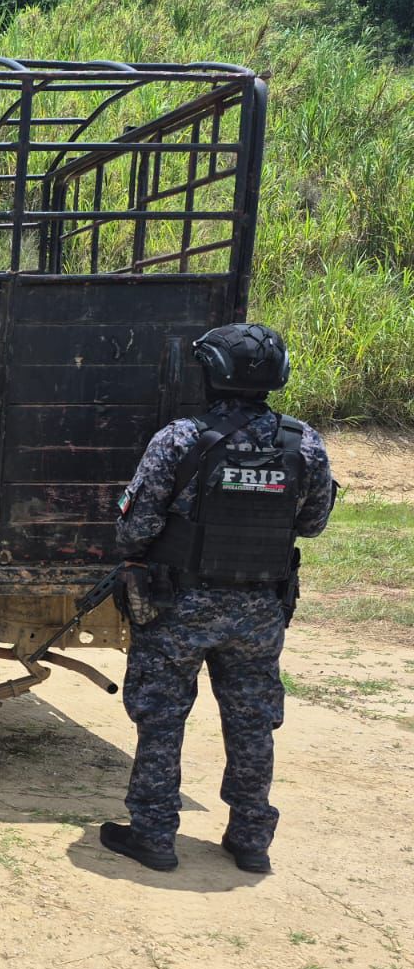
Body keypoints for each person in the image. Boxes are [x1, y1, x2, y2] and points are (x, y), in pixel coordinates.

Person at [101, 322, 335, 875]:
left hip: (177, 608)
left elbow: (134, 531)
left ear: (211, 375)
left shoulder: (181, 440)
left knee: (162, 720)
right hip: (259, 611)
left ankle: (154, 835)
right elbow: (313, 523)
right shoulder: (303, 443)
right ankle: (250, 840)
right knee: (252, 722)